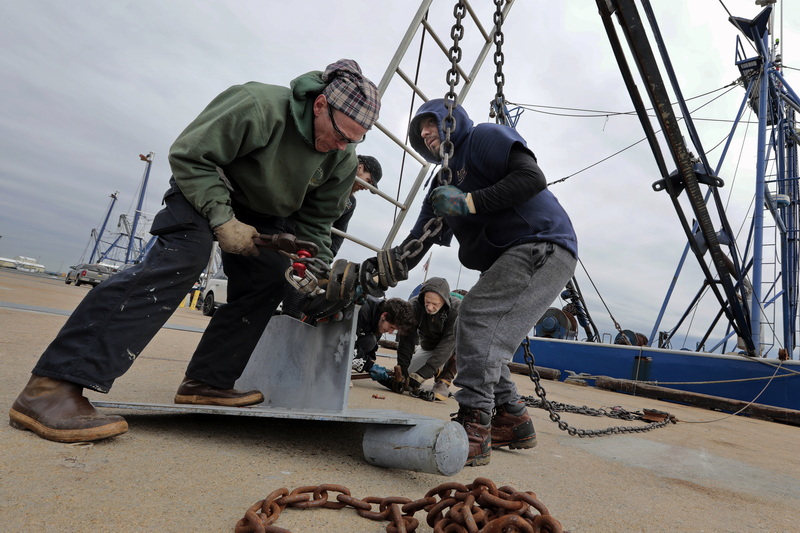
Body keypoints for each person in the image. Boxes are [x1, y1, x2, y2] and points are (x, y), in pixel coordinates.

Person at [9, 59, 381, 443]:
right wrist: (222, 218)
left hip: (266, 213)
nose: (342, 145)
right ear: (320, 104)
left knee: (271, 278)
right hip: (205, 186)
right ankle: (50, 387)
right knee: (183, 258)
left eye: (354, 140)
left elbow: (316, 223)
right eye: (340, 134)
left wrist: (313, 266)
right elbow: (188, 155)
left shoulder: (341, 157)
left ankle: (207, 381)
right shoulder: (258, 106)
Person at [395, 98, 578, 466]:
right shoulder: (440, 187)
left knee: (476, 316)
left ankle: (474, 426)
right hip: (514, 255)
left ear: (452, 121)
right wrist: (379, 272)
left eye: (430, 123)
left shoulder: (483, 138)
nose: (426, 133)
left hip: (541, 243)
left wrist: (470, 203)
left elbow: (531, 178)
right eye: (420, 131)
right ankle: (511, 416)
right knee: (479, 329)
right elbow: (417, 242)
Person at [395, 277, 460, 402]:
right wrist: (403, 370)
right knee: (408, 381)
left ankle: (444, 379)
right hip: (428, 347)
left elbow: (448, 344)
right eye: (427, 302)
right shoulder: (414, 306)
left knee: (464, 342)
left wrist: (424, 372)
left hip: (451, 348)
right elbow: (406, 340)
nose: (429, 307)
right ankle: (437, 368)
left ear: (445, 301)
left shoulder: (456, 310)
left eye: (435, 304)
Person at [329, 154, 383, 257]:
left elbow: (340, 232)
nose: (366, 188)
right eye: (368, 181)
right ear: (360, 167)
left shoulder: (350, 203)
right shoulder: (331, 176)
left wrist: (331, 254)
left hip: (318, 245)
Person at [351, 296, 416, 380]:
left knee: (371, 341)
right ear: (384, 315)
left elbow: (370, 353)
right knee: (370, 341)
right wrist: (369, 366)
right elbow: (347, 345)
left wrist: (385, 378)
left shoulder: (379, 321)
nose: (390, 332)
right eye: (391, 327)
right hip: (332, 342)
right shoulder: (361, 310)